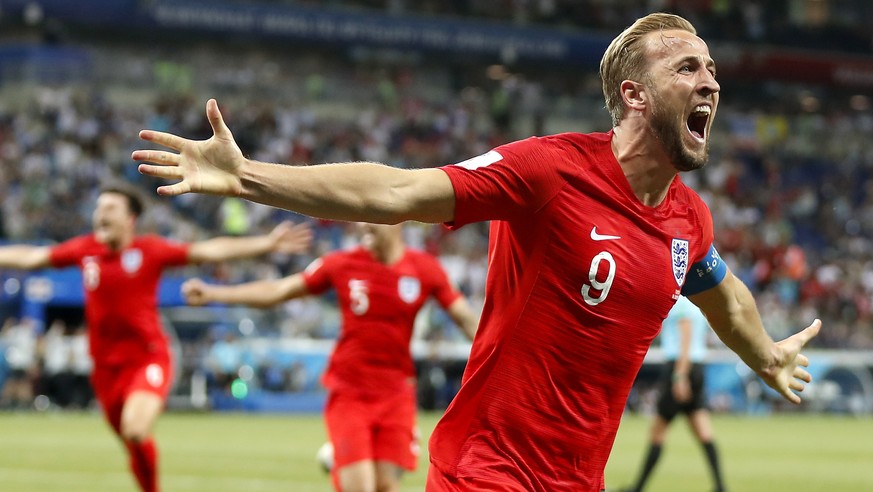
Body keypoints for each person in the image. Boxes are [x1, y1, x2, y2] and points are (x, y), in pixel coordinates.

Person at [132, 12, 822, 492]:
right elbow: (396, 190)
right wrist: (249, 176)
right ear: (632, 95)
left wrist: (763, 352)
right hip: (486, 470)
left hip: (578, 479)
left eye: (711, 68)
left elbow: (722, 293)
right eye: (687, 67)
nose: (711, 81)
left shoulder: (687, 219)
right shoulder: (549, 172)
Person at [0, 184, 312, 492]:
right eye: (98, 208)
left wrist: (266, 244)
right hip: (105, 367)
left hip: (147, 357)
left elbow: (206, 250)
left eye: (109, 208)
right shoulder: (85, 249)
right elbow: (32, 257)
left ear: (130, 219)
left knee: (135, 429)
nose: (100, 214)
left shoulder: (149, 250)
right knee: (132, 441)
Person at [181, 222, 479, 492]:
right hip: (349, 390)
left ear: (398, 220)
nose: (363, 224)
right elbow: (279, 290)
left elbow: (465, 319)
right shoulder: (341, 264)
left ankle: (340, 459)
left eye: (372, 216)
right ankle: (345, 459)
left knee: (386, 485)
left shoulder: (424, 268)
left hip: (397, 392)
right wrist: (214, 294)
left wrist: (502, 357)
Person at [624, 295, 727, 492]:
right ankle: (721, 487)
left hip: (680, 368)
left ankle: (637, 488)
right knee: (703, 431)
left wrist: (679, 376)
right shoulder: (697, 303)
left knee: (658, 431)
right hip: (695, 367)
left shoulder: (682, 303)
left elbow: (685, 338)